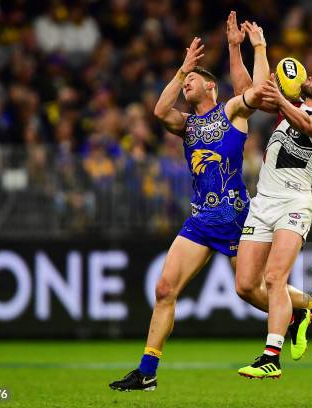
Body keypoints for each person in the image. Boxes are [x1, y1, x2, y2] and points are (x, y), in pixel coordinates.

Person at [108, 17, 271, 392]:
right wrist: (183, 67)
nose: (186, 85)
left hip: (235, 218)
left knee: (252, 291)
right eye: (184, 81)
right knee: (165, 289)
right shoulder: (187, 125)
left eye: (192, 80)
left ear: (211, 86)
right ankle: (147, 371)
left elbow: (257, 89)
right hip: (199, 221)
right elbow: (159, 112)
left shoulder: (231, 112)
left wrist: (236, 47)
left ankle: (305, 307)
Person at [235, 61, 312, 379]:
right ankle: (310, 307)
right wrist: (243, 47)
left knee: (275, 278)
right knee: (246, 286)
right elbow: (244, 94)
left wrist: (280, 100)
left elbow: (309, 126)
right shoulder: (288, 105)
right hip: (262, 203)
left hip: (294, 205)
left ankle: (270, 357)